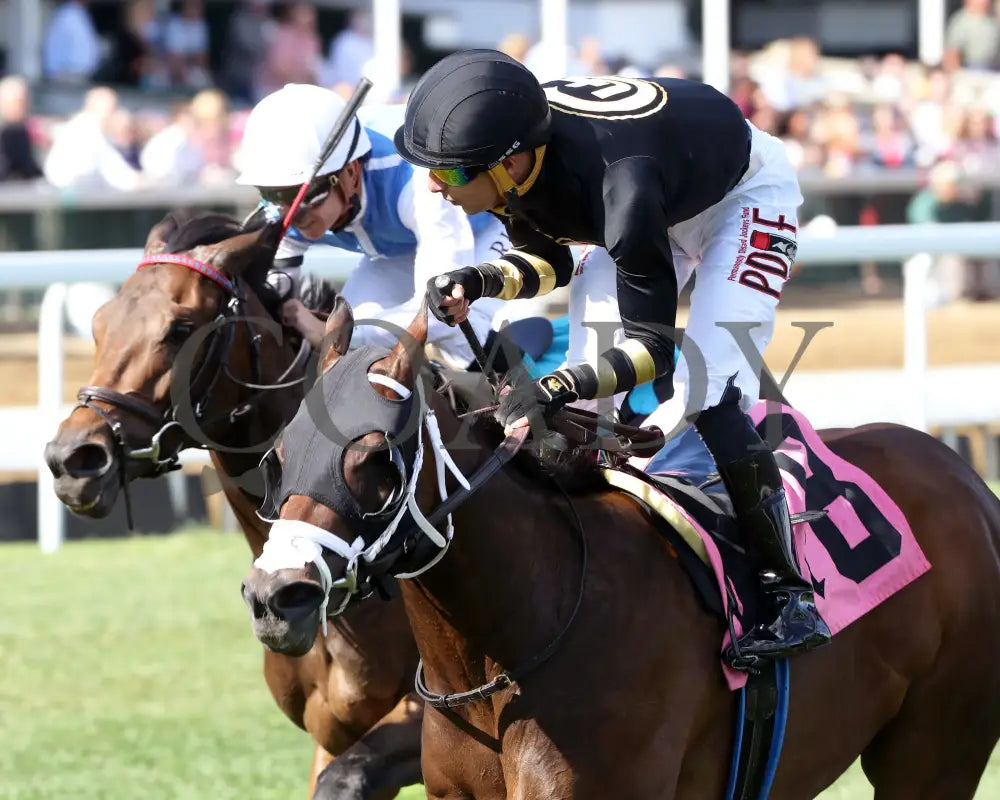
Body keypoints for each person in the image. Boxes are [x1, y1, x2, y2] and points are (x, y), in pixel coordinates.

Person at [394, 50, 831, 664]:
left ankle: (789, 593)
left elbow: (653, 350)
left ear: (511, 161)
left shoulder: (617, 188)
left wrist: (554, 387)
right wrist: (479, 279)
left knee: (709, 391)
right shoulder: (508, 147)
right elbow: (550, 259)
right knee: (592, 392)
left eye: (453, 175)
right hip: (654, 187)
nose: (437, 187)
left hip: (737, 198)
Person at [235, 84, 514, 368]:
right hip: (398, 248)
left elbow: (441, 313)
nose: (291, 213)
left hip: (492, 223)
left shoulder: (416, 179)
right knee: (351, 331)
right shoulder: (285, 207)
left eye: (307, 196)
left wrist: (338, 334)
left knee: (461, 327)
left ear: (350, 173)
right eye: (273, 194)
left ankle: (533, 396)